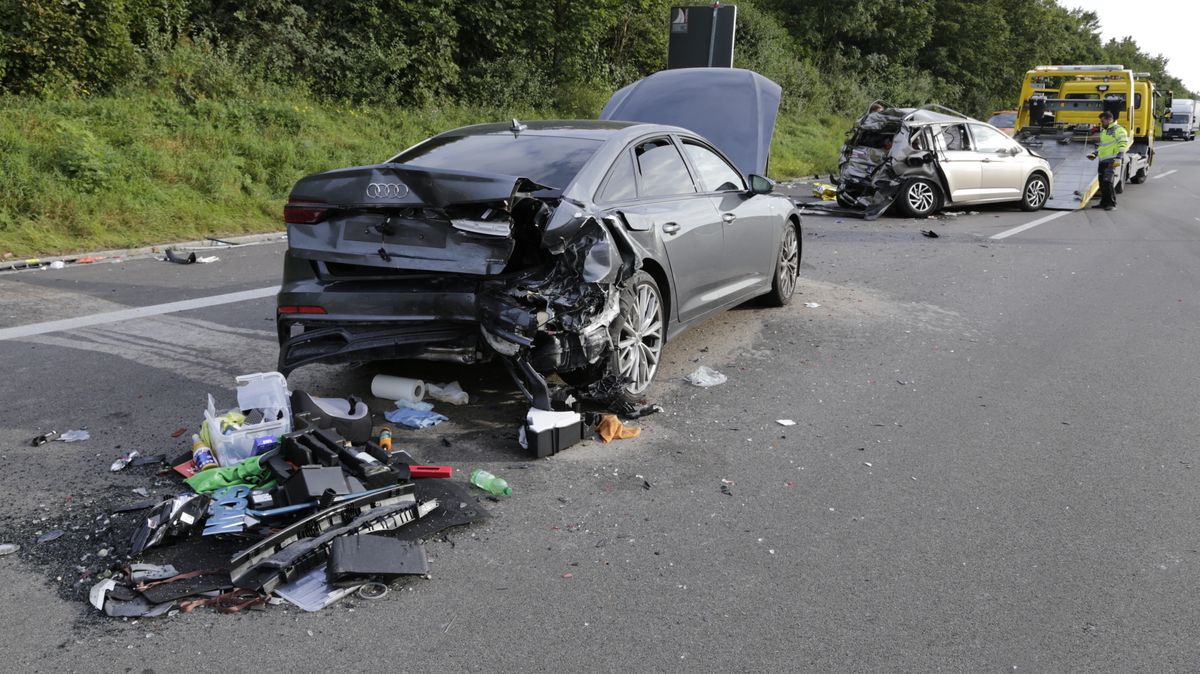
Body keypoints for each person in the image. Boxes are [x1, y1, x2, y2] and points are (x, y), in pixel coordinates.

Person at [1088, 110, 1129, 211]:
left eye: (1103, 121)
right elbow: (1103, 146)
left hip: (1112, 160)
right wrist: (1095, 153)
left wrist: (1119, 157)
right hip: (1103, 160)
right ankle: (1103, 203)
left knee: (1107, 182)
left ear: (1110, 120)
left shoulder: (1119, 130)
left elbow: (1123, 144)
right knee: (1101, 183)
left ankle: (1111, 204)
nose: (1101, 123)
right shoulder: (1105, 130)